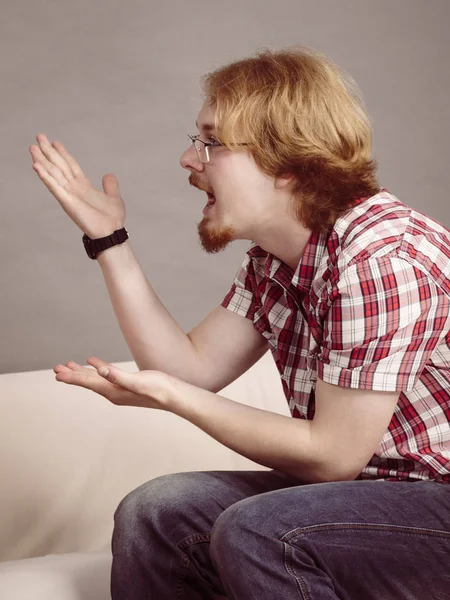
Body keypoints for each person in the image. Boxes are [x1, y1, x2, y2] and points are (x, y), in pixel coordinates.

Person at [29, 46, 449, 599]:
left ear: (290, 164)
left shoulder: (381, 259)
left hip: (435, 499)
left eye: (211, 141)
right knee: (156, 512)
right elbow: (187, 368)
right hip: (370, 494)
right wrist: (108, 241)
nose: (188, 158)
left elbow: (332, 456)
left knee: (262, 532)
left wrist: (172, 398)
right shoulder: (276, 261)